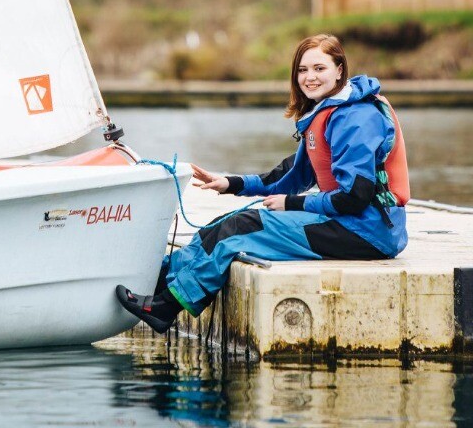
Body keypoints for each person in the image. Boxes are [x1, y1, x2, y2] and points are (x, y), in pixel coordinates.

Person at [116, 33, 410, 333]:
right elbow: (290, 176)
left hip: (369, 232)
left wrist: (291, 203)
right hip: (348, 222)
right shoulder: (327, 112)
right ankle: (157, 282)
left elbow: (355, 197)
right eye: (302, 70)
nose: (309, 77)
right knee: (223, 223)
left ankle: (166, 308)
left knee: (242, 229)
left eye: (319, 68)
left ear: (339, 69)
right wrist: (230, 183)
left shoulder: (357, 118)